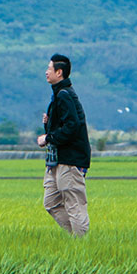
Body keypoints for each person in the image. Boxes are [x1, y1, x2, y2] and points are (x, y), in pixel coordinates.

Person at [36, 54, 91, 236]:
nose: (46, 72)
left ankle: (82, 245)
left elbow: (72, 127)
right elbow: (66, 124)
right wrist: (49, 123)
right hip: (56, 159)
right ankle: (77, 239)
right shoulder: (59, 94)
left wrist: (48, 137)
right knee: (51, 202)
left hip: (70, 159)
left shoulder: (64, 95)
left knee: (74, 204)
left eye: (49, 68)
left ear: (59, 72)